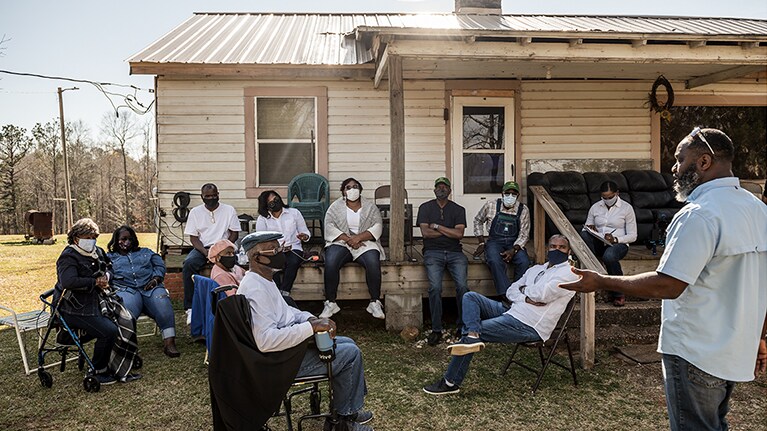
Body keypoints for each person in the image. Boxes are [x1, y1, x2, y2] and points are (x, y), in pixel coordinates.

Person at [560, 127, 767, 431]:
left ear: (704, 162)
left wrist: (601, 282)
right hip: (736, 347)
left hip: (696, 351)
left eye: (680, 159)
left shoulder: (698, 214)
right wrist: (759, 336)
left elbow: (668, 284)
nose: (673, 167)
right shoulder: (758, 209)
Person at [237, 231, 375, 431]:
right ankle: (341, 423)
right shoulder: (255, 288)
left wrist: (312, 318)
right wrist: (310, 328)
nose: (281, 252)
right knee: (349, 354)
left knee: (348, 343)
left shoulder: (264, 280)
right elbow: (265, 340)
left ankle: (347, 412)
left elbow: (286, 312)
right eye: (274, 249)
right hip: (278, 363)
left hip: (287, 353)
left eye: (280, 248)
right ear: (257, 257)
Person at [423, 235, 578, 395]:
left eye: (562, 247)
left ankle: (450, 382)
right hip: (512, 311)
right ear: (548, 249)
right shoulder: (536, 269)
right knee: (470, 297)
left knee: (473, 332)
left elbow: (542, 295)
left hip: (530, 325)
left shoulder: (570, 274)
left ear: (569, 251)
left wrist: (524, 291)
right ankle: (472, 336)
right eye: (553, 246)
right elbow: (511, 290)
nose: (557, 250)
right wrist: (525, 296)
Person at [52, 218, 140, 385]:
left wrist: (106, 276)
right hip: (73, 307)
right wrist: (94, 282)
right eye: (88, 237)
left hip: (97, 300)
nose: (91, 240)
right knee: (108, 330)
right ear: (76, 238)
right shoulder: (68, 257)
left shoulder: (98, 251)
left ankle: (120, 363)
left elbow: (109, 267)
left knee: (127, 319)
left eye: (94, 237)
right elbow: (68, 282)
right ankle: (99, 370)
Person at [107, 225, 180, 358]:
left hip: (150, 288)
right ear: (116, 240)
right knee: (126, 309)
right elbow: (107, 273)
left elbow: (159, 265)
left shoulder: (146, 252)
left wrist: (156, 278)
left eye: (130, 239)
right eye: (123, 239)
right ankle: (129, 347)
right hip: (126, 289)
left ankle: (169, 343)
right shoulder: (110, 258)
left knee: (163, 303)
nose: (127, 242)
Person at [319, 178, 385, 320]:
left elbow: (377, 226)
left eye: (355, 186)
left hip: (364, 242)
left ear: (360, 189)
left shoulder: (370, 206)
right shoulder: (335, 207)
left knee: (373, 261)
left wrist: (359, 237)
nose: (352, 189)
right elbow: (329, 226)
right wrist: (349, 239)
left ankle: (375, 302)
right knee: (331, 261)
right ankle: (331, 302)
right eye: (348, 187)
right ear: (343, 191)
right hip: (341, 241)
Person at [417, 177, 469, 346]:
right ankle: (436, 329)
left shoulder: (458, 209)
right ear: (434, 190)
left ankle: (462, 325)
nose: (441, 189)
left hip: (455, 253)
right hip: (433, 252)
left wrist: (438, 227)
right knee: (435, 288)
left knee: (462, 287)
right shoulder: (425, 208)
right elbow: (425, 233)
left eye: (445, 187)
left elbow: (459, 234)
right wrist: (449, 231)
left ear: (450, 191)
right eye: (438, 187)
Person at [182, 183, 241, 325]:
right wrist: (206, 252)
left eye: (214, 195)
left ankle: (236, 302)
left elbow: (234, 233)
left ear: (218, 194)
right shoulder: (195, 212)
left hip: (225, 247)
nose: (211, 198)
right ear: (202, 197)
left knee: (236, 265)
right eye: (207, 196)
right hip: (203, 248)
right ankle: (190, 308)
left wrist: (222, 249)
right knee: (188, 265)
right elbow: (193, 237)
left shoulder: (228, 210)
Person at [579, 180, 637, 307]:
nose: (607, 200)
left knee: (609, 257)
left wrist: (615, 239)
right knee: (584, 234)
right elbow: (585, 229)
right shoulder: (595, 207)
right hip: (600, 242)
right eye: (604, 197)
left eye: (610, 197)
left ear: (617, 193)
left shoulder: (627, 208)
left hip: (618, 244)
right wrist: (591, 229)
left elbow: (633, 236)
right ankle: (593, 266)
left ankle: (619, 293)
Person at [472, 180, 531, 296]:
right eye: (507, 193)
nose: (510, 196)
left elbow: (524, 234)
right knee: (494, 261)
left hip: (514, 242)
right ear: (502, 193)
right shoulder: (491, 205)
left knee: (524, 261)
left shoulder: (523, 210)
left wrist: (513, 250)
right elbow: (478, 220)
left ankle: (517, 291)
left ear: (518, 196)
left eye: (514, 194)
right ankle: (506, 294)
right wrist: (481, 242)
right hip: (494, 241)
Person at [255, 190, 311, 301]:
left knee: (293, 261)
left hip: (293, 248)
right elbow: (261, 240)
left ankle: (285, 292)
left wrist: (304, 236)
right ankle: (275, 293)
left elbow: (306, 232)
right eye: (271, 202)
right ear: (266, 206)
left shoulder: (294, 213)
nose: (275, 203)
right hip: (273, 251)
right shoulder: (262, 219)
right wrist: (276, 248)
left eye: (276, 199)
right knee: (271, 264)